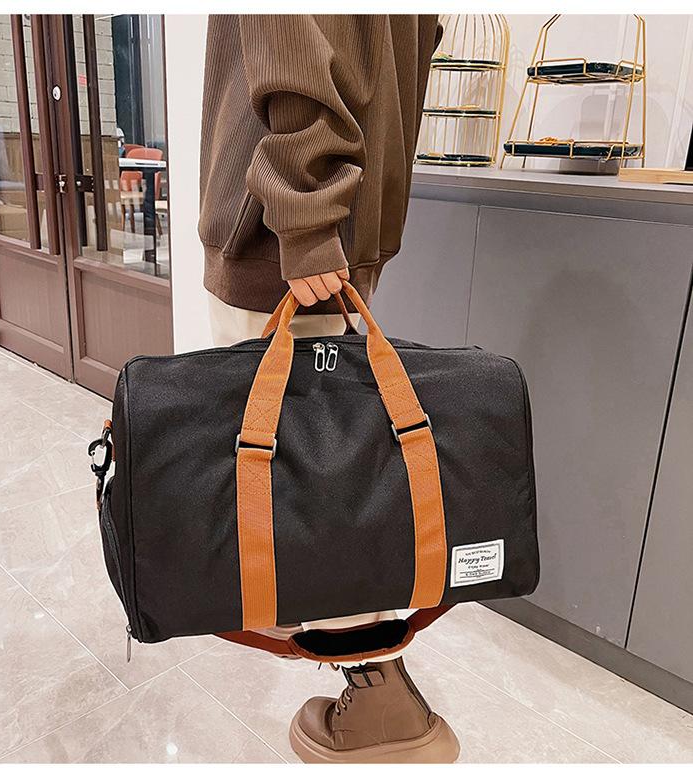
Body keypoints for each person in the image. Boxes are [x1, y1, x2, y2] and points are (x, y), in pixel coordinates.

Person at [199, 14, 459, 763]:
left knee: (317, 487)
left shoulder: (301, 223)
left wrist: (306, 216)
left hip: (287, 238)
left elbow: (292, 29)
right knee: (334, 468)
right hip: (338, 222)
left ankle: (386, 713)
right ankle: (381, 695)